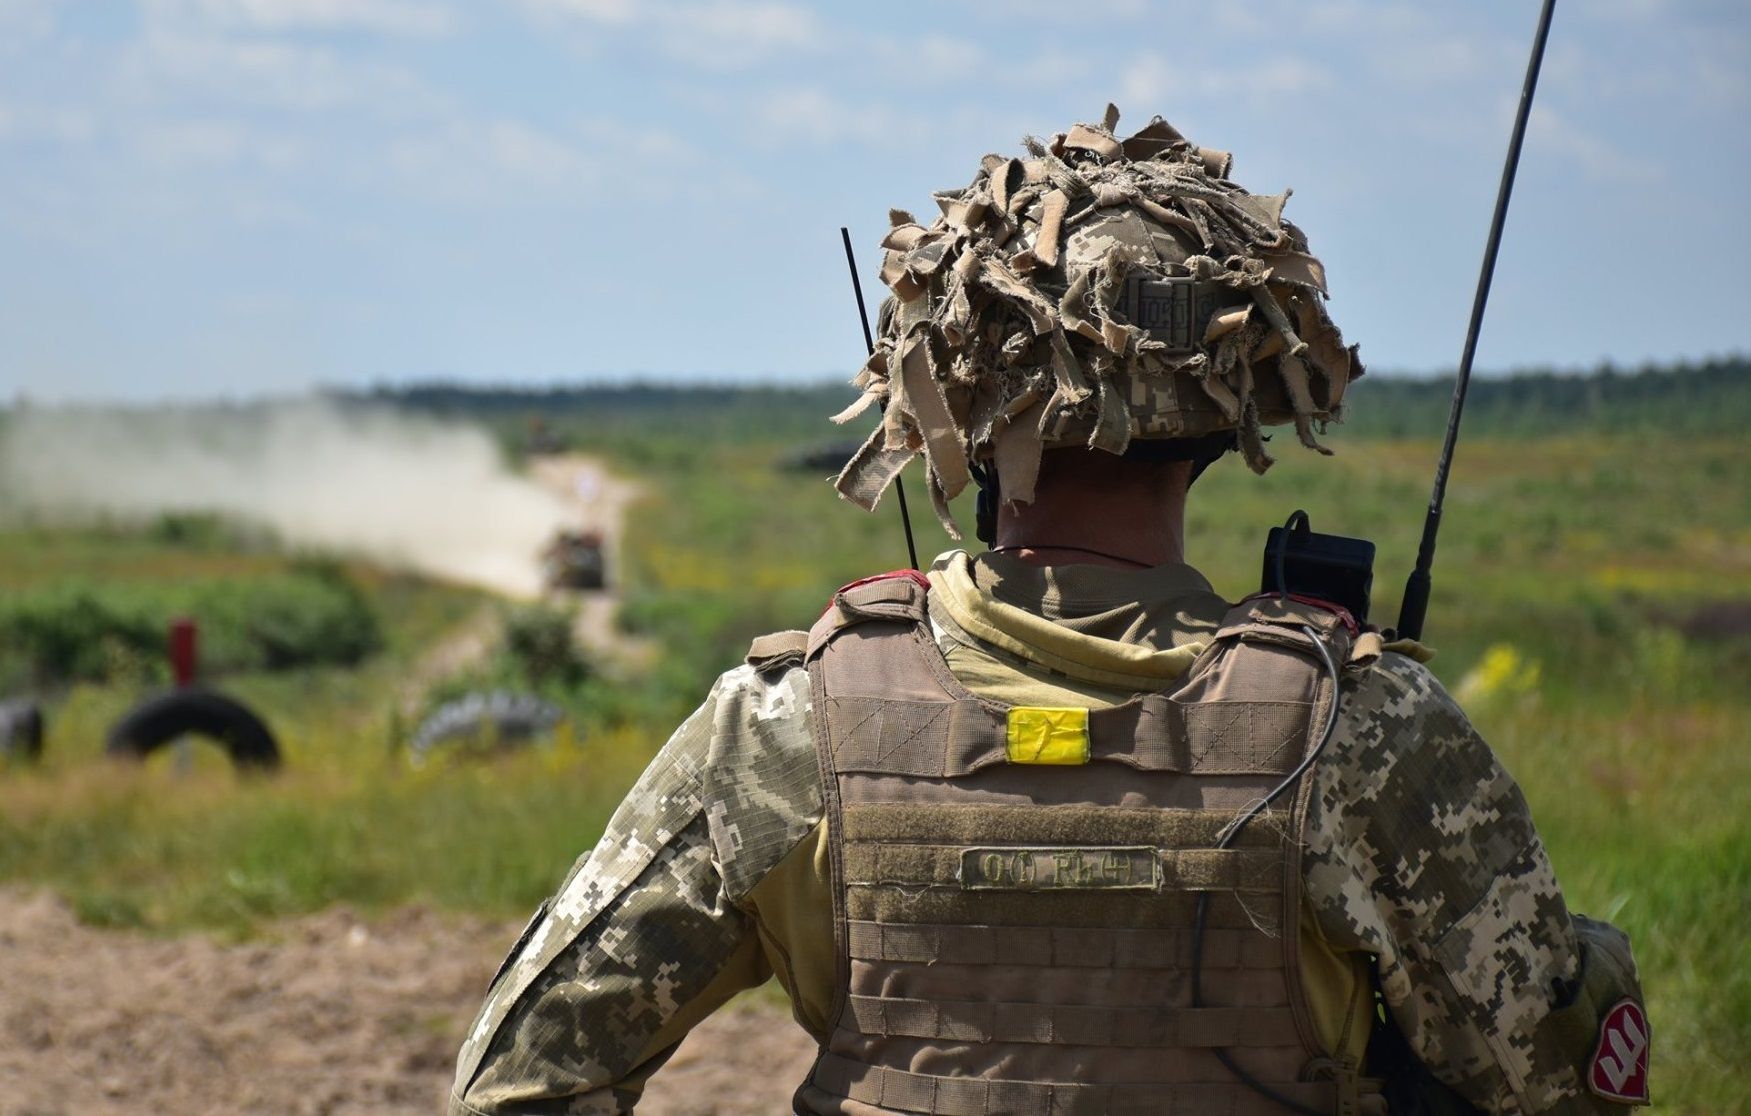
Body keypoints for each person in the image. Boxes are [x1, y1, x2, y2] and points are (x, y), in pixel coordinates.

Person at [450, 109, 1649, 1116]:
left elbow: (519, 1076)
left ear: (951, 398)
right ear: (1230, 413)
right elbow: (1554, 1077)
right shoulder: (1363, 729)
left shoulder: (783, 727)